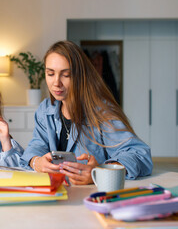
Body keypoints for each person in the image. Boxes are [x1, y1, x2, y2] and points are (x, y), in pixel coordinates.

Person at [20, 40, 153, 185]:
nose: (56, 82)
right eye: (50, 73)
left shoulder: (102, 112)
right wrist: (36, 162)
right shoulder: (45, 109)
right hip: (57, 194)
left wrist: (101, 171)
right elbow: (37, 146)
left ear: (79, 76)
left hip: (91, 197)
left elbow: (140, 155)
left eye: (66, 75)